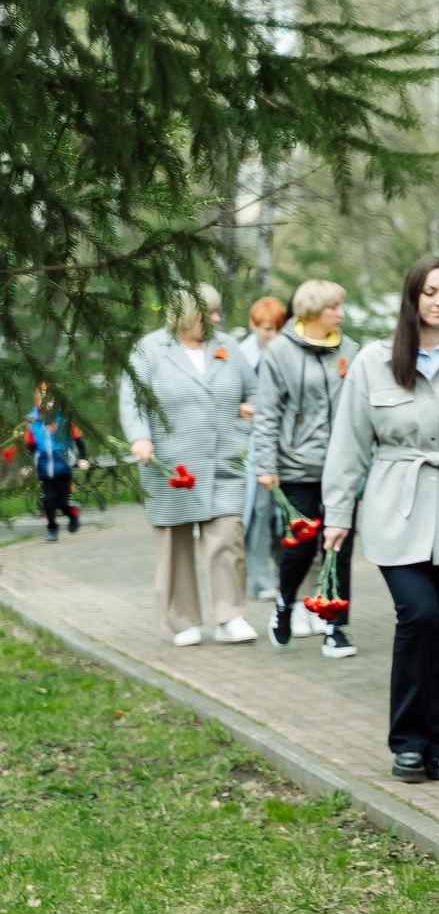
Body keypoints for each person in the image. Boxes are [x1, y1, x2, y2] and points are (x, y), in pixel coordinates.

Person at [322, 256, 439, 782]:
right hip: (397, 506)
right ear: (412, 297)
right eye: (430, 292)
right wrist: (337, 514)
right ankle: (408, 740)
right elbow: (348, 443)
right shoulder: (374, 361)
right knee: (420, 617)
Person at [121, 283, 258, 647]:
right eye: (208, 313)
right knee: (175, 542)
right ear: (186, 316)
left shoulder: (228, 346)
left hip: (224, 458)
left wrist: (248, 412)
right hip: (171, 463)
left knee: (228, 536)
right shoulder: (149, 349)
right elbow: (133, 400)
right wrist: (140, 437)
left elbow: (254, 391)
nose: (217, 319)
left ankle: (230, 616)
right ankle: (183, 621)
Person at [254, 279, 357, 655]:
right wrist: (266, 465)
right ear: (314, 311)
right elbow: (266, 413)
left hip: (342, 469)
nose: (342, 314)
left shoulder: (349, 349)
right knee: (301, 547)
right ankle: (285, 603)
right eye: (335, 307)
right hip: (297, 467)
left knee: (340, 549)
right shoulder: (280, 352)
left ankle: (334, 628)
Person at [240, 296, 287, 600]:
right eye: (267, 328)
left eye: (277, 328)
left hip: (285, 447)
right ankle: (257, 579)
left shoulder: (287, 354)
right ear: (253, 326)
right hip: (250, 449)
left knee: (283, 516)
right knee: (258, 513)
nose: (272, 334)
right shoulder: (237, 355)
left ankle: (286, 578)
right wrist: (239, 407)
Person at [22, 384, 89, 541]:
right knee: (48, 500)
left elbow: (79, 439)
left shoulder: (65, 418)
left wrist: (83, 459)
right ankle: (52, 527)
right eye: (43, 399)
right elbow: (29, 446)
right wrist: (27, 464)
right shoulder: (32, 420)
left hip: (63, 467)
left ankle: (73, 514)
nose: (47, 403)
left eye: (51, 399)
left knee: (62, 502)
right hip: (44, 467)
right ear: (37, 400)